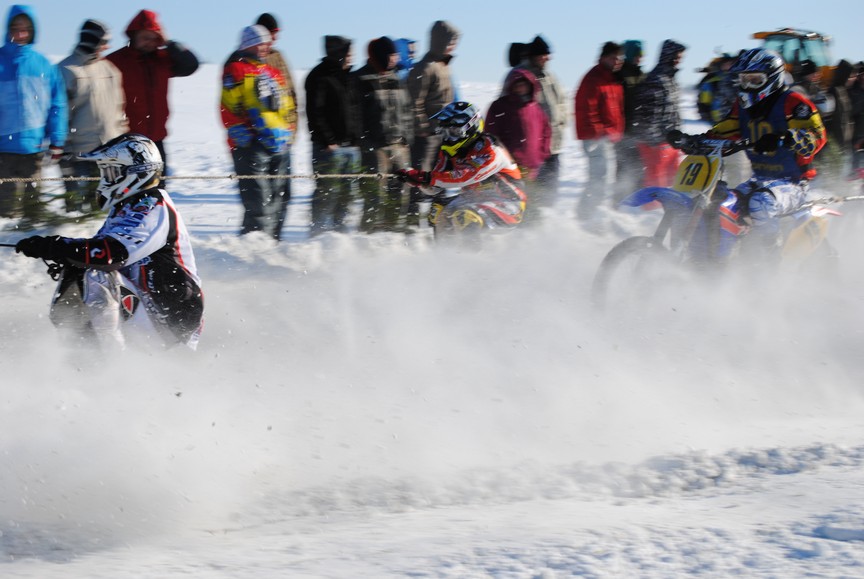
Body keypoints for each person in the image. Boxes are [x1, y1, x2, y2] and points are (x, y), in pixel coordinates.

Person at [14, 133, 204, 350]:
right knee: (79, 269)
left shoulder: (153, 206)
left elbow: (110, 254)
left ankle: (108, 365)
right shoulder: (128, 206)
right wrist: (59, 250)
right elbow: (98, 250)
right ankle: (78, 349)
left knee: (94, 273)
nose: (105, 179)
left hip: (174, 313)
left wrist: (56, 246)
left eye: (111, 172)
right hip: (151, 302)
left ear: (135, 173)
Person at [697, 48, 826, 258]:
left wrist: (786, 137)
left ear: (773, 78)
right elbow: (726, 129)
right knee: (721, 202)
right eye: (744, 80)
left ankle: (769, 259)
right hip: (760, 180)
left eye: (755, 80)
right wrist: (696, 140)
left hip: (793, 184)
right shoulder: (743, 107)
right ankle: (716, 257)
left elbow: (816, 135)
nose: (748, 86)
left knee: (760, 202)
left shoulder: (793, 103)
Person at [395, 101, 527, 234]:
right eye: (444, 132)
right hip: (474, 198)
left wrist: (425, 177)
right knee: (438, 211)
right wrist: (413, 178)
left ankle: (470, 254)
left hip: (507, 203)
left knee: (465, 216)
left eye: (453, 131)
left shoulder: (491, 150)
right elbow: (435, 186)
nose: (448, 138)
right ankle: (443, 251)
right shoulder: (450, 151)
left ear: (470, 128)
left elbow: (464, 176)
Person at [221, 25, 293, 239]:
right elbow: (228, 104)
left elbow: (287, 105)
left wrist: (287, 130)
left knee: (281, 198)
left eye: (267, 43)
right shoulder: (235, 69)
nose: (265, 47)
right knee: (258, 202)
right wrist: (239, 131)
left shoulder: (273, 72)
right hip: (251, 144)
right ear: (248, 44)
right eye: (260, 43)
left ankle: (273, 243)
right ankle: (255, 247)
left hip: (278, 142)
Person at [106, 9, 199, 175]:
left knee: (158, 189)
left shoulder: (163, 60)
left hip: (156, 139)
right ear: (133, 36)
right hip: (126, 141)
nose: (149, 42)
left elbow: (191, 65)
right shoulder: (116, 61)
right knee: (129, 191)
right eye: (144, 38)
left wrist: (170, 43)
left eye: (154, 38)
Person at [0, 5, 67, 226]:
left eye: (26, 29)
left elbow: (57, 104)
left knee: (32, 213)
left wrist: (57, 139)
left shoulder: (44, 65)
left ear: (33, 31)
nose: (20, 34)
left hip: (34, 151)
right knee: (5, 214)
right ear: (7, 29)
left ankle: (27, 259)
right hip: (3, 153)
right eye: (16, 28)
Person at [58, 19, 129, 214]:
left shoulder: (110, 70)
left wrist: (123, 139)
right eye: (103, 42)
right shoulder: (66, 71)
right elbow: (59, 115)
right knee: (77, 212)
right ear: (91, 41)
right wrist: (63, 149)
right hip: (78, 155)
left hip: (109, 153)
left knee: (105, 209)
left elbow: (118, 109)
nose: (107, 46)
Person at [353, 36, 413, 232]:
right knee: (375, 196)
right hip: (375, 147)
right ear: (380, 56)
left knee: (401, 194)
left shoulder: (396, 79)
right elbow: (354, 114)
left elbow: (406, 111)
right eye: (391, 55)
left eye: (396, 55)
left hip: (399, 146)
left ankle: (394, 232)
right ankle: (368, 237)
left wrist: (407, 139)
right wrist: (364, 141)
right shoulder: (360, 79)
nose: (395, 59)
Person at [406, 20, 460, 228]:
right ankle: (411, 224)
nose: (452, 46)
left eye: (454, 42)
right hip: (426, 136)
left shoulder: (443, 67)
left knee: (442, 179)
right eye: (450, 42)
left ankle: (439, 222)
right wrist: (423, 128)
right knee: (419, 180)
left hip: (444, 134)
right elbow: (415, 101)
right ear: (439, 41)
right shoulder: (425, 67)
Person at [304, 35, 360, 235]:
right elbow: (315, 112)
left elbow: (354, 110)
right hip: (329, 148)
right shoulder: (319, 76)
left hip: (351, 147)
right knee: (327, 193)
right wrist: (327, 140)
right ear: (338, 53)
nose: (352, 57)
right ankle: (317, 234)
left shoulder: (349, 77)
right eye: (348, 53)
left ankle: (341, 234)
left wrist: (356, 137)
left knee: (347, 194)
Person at [510, 35, 568, 203]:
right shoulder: (521, 76)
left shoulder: (550, 76)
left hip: (553, 145)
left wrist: (562, 123)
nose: (547, 58)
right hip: (532, 147)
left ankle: (548, 225)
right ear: (534, 55)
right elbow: (510, 108)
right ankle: (531, 227)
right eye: (543, 54)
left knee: (551, 192)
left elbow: (561, 102)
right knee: (533, 194)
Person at [254, 13, 297, 237]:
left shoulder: (278, 57)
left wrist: (291, 130)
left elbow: (291, 95)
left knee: (283, 193)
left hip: (283, 139)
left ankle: (275, 239)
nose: (274, 39)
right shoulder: (245, 60)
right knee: (260, 199)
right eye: (271, 34)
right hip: (259, 142)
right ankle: (258, 242)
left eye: (276, 34)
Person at [574, 41, 625, 224]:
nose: (617, 61)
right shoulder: (594, 78)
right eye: (613, 58)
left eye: (620, 58)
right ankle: (586, 216)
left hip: (609, 137)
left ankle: (588, 214)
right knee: (600, 178)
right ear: (603, 57)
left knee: (603, 177)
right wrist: (598, 132)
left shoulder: (612, 79)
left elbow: (616, 109)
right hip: (596, 138)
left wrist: (616, 132)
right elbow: (585, 109)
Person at [633, 39, 687, 188]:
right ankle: (650, 211)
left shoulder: (671, 79)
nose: (678, 60)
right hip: (655, 143)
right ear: (667, 56)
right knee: (656, 184)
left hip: (670, 141)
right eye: (676, 56)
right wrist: (654, 141)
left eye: (680, 57)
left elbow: (673, 111)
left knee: (674, 182)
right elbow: (649, 113)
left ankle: (670, 210)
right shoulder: (655, 80)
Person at [485, 68, 550, 186]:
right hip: (508, 166)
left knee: (531, 199)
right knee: (511, 199)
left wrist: (542, 154)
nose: (520, 88)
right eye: (517, 85)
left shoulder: (536, 108)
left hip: (532, 167)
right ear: (511, 87)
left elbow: (546, 132)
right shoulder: (500, 106)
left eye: (523, 85)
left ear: (530, 86)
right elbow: (490, 135)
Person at [615, 39, 646, 199]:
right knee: (624, 168)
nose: (640, 57)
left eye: (642, 54)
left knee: (639, 168)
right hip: (624, 130)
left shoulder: (641, 74)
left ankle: (636, 202)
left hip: (639, 130)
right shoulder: (620, 74)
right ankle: (619, 201)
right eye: (637, 54)